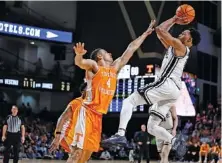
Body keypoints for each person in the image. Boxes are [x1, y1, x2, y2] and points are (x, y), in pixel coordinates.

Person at [50, 20, 156, 163]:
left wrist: (145, 34)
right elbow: (80, 63)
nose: (110, 53)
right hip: (87, 112)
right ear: (100, 57)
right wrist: (79, 55)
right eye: (106, 53)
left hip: (98, 117)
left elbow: (131, 48)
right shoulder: (94, 67)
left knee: (85, 157)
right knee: (76, 153)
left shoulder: (114, 68)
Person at [102, 15, 201, 151]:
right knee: (152, 127)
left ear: (189, 40)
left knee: (129, 101)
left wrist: (174, 18)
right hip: (173, 92)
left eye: (184, 33)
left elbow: (160, 29)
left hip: (166, 84)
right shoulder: (174, 48)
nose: (180, 33)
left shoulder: (180, 46)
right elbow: (160, 33)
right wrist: (172, 22)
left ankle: (120, 134)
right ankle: (176, 141)